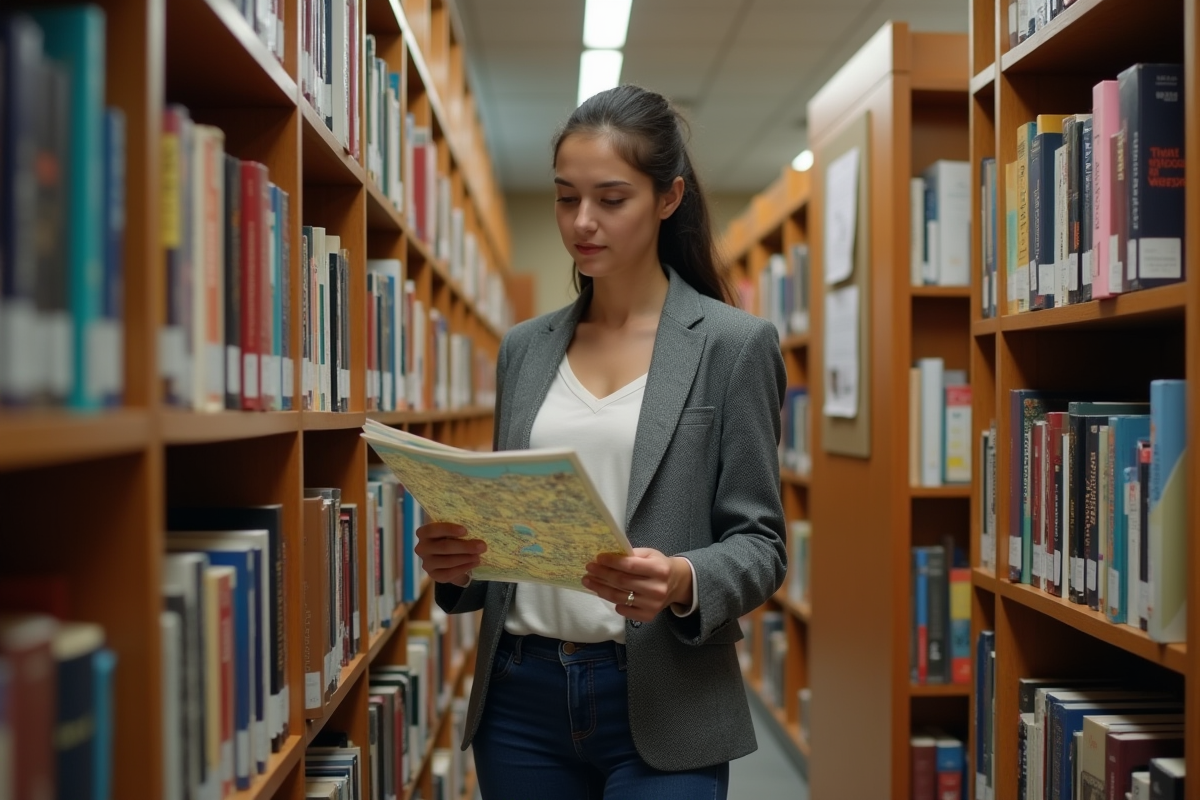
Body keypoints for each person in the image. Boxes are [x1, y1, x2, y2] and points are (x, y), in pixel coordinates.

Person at [415, 84, 787, 799]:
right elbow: (514, 525)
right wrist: (460, 564)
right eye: (565, 198)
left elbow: (762, 544)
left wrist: (682, 578)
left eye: (612, 199)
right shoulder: (525, 349)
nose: (582, 222)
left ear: (668, 198)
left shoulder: (733, 346)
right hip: (520, 696)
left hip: (665, 695)